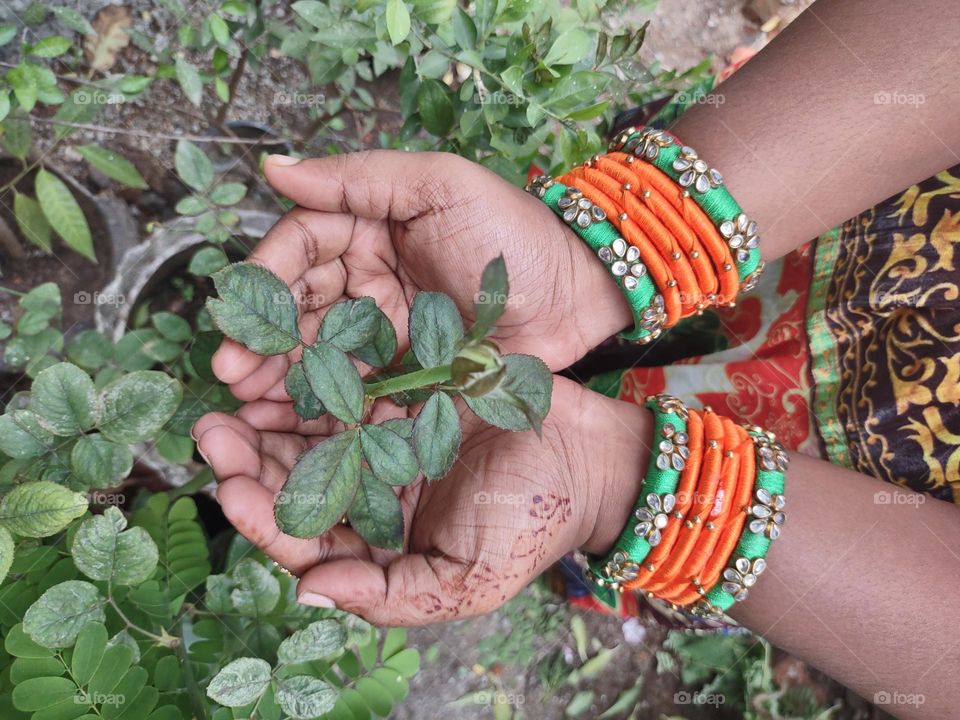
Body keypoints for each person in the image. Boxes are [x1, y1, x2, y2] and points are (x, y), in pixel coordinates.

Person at [193, 1, 960, 717]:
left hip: (837, 517)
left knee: (504, 465)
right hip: (828, 176)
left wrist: (605, 485)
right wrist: (598, 256)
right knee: (570, 342)